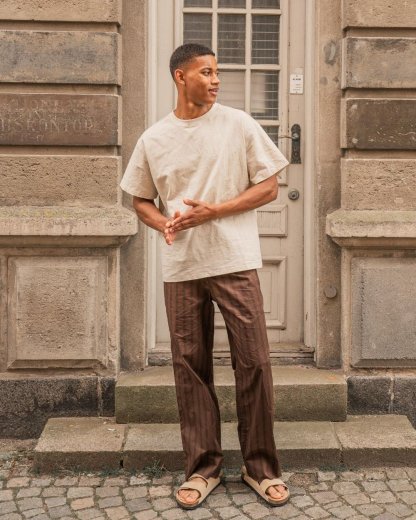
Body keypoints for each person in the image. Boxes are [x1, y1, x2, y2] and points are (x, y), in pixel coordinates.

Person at [120, 42, 291, 510]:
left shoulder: (238, 124)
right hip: (182, 268)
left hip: (234, 260)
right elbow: (139, 199)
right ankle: (202, 469)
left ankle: (261, 469)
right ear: (180, 76)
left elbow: (269, 186)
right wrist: (164, 223)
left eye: (217, 72)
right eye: (206, 72)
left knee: (254, 362)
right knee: (190, 367)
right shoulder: (154, 138)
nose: (215, 80)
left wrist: (214, 211)